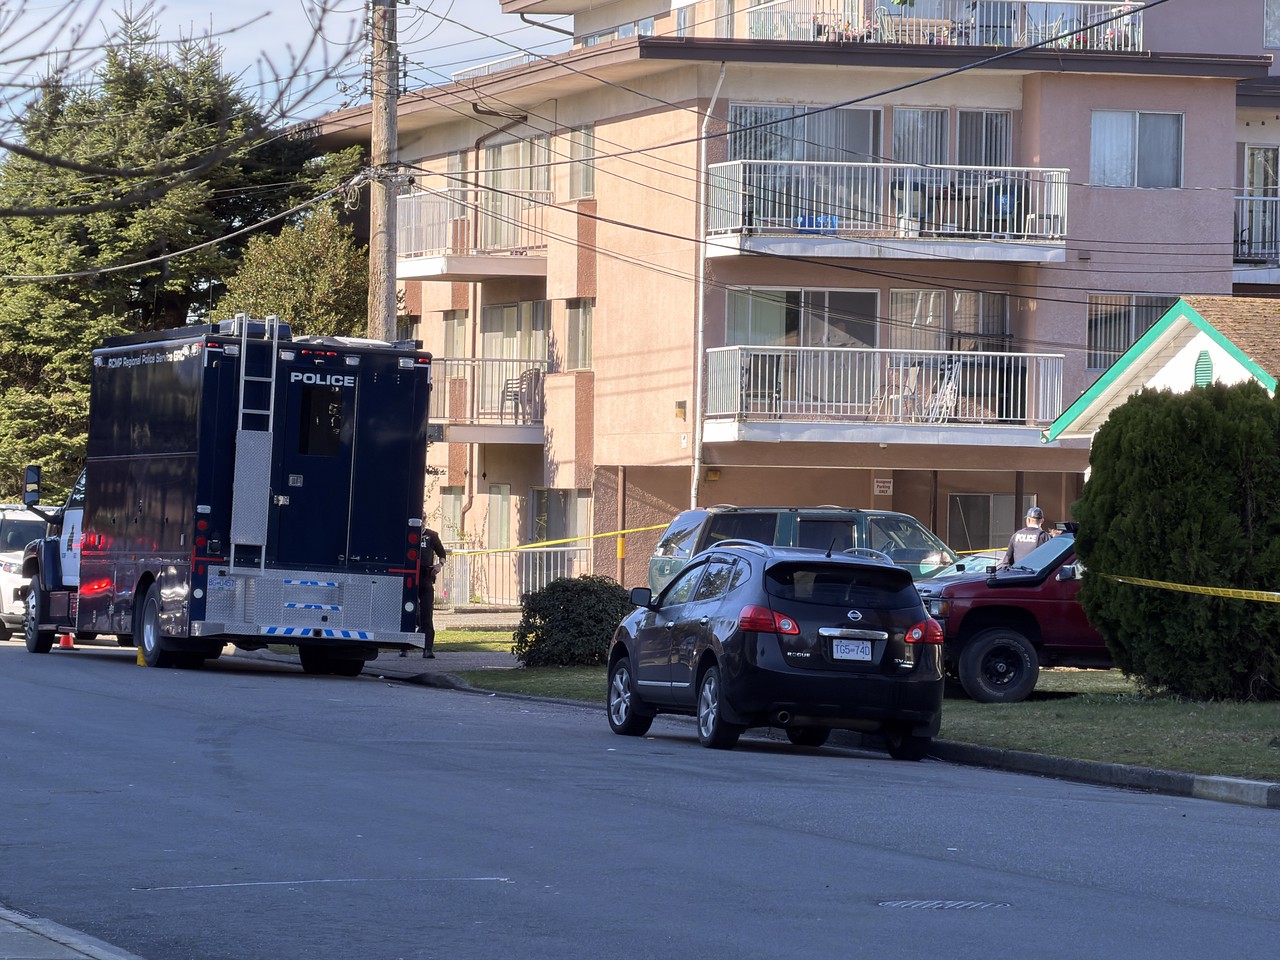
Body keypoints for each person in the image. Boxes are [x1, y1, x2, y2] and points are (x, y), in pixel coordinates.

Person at [402, 527, 447, 658]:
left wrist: (439, 565)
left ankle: (427, 648)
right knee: (408, 612)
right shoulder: (407, 533)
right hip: (410, 578)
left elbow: (442, 554)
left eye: (424, 518)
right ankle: (404, 647)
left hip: (425, 577)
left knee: (427, 613)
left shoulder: (431, 535)